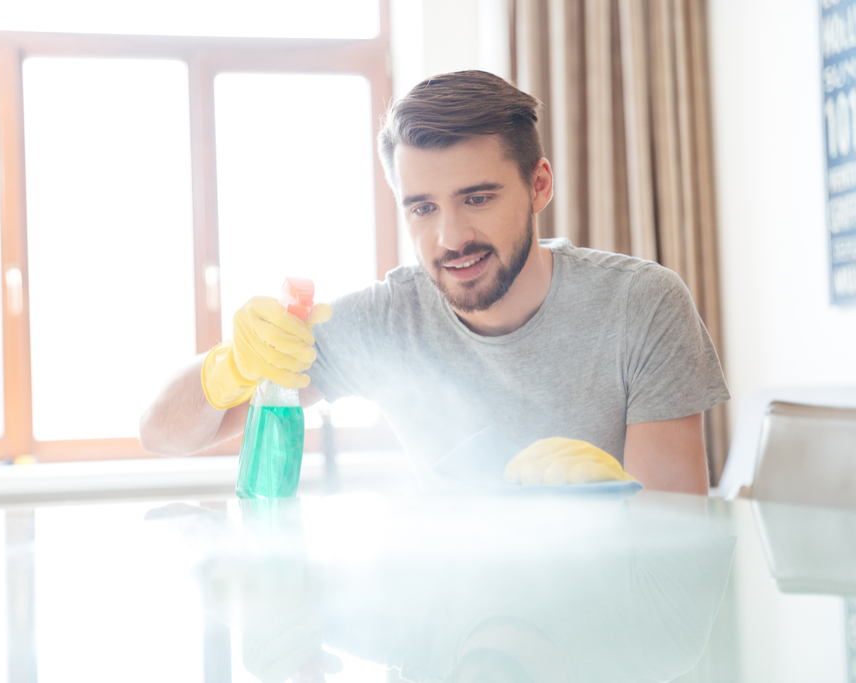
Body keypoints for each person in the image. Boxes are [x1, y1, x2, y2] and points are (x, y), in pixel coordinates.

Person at [139, 70, 730, 494]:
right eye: (422, 208)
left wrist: (599, 512)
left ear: (540, 185)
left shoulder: (642, 306)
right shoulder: (388, 321)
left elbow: (671, 557)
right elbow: (161, 435)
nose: (450, 237)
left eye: (477, 198)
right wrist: (229, 368)